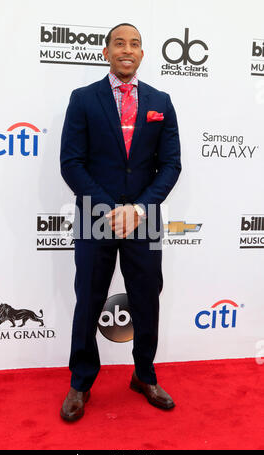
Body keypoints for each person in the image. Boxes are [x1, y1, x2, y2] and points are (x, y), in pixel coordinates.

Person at [59, 23, 181, 421]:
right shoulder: (83, 99)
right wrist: (112, 209)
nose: (127, 50)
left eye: (135, 44)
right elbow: (71, 163)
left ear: (142, 54)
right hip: (98, 216)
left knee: (146, 300)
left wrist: (139, 209)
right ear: (107, 51)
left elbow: (171, 165)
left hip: (143, 219)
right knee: (89, 301)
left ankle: (144, 376)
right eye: (119, 43)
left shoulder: (161, 100)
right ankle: (80, 383)